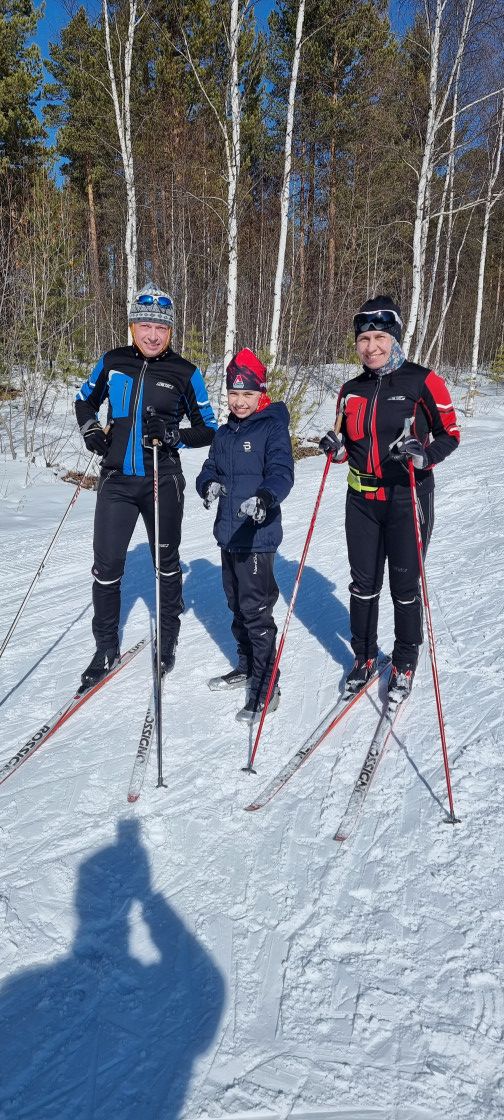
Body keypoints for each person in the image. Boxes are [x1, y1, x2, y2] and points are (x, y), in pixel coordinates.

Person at [75, 283, 217, 689]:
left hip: (163, 479)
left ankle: (167, 638)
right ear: (132, 325)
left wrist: (174, 434)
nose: (152, 334)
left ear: (170, 331)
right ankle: (105, 648)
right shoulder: (112, 361)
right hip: (117, 480)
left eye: (160, 327)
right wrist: (89, 429)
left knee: (165, 564)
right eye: (144, 324)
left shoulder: (185, 372)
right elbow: (84, 400)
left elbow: (208, 428)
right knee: (106, 569)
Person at [319, 295, 460, 700]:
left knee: (404, 585)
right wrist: (337, 449)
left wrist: (424, 456)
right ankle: (363, 657)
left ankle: (404, 661)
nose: (371, 346)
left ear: (395, 338)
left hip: (407, 497)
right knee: (362, 585)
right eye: (364, 338)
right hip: (360, 500)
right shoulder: (350, 389)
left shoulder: (422, 380)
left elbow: (451, 434)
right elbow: (348, 444)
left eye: (380, 336)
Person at [196, 348, 294, 723]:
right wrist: (209, 486)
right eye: (234, 394)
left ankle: (268, 683)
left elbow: (282, 472)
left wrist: (265, 499)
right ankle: (246, 667)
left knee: (256, 611)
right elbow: (210, 468)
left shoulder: (271, 427)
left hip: (258, 535)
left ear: (261, 394)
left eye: (248, 394)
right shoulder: (223, 434)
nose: (240, 401)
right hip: (229, 535)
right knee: (236, 606)